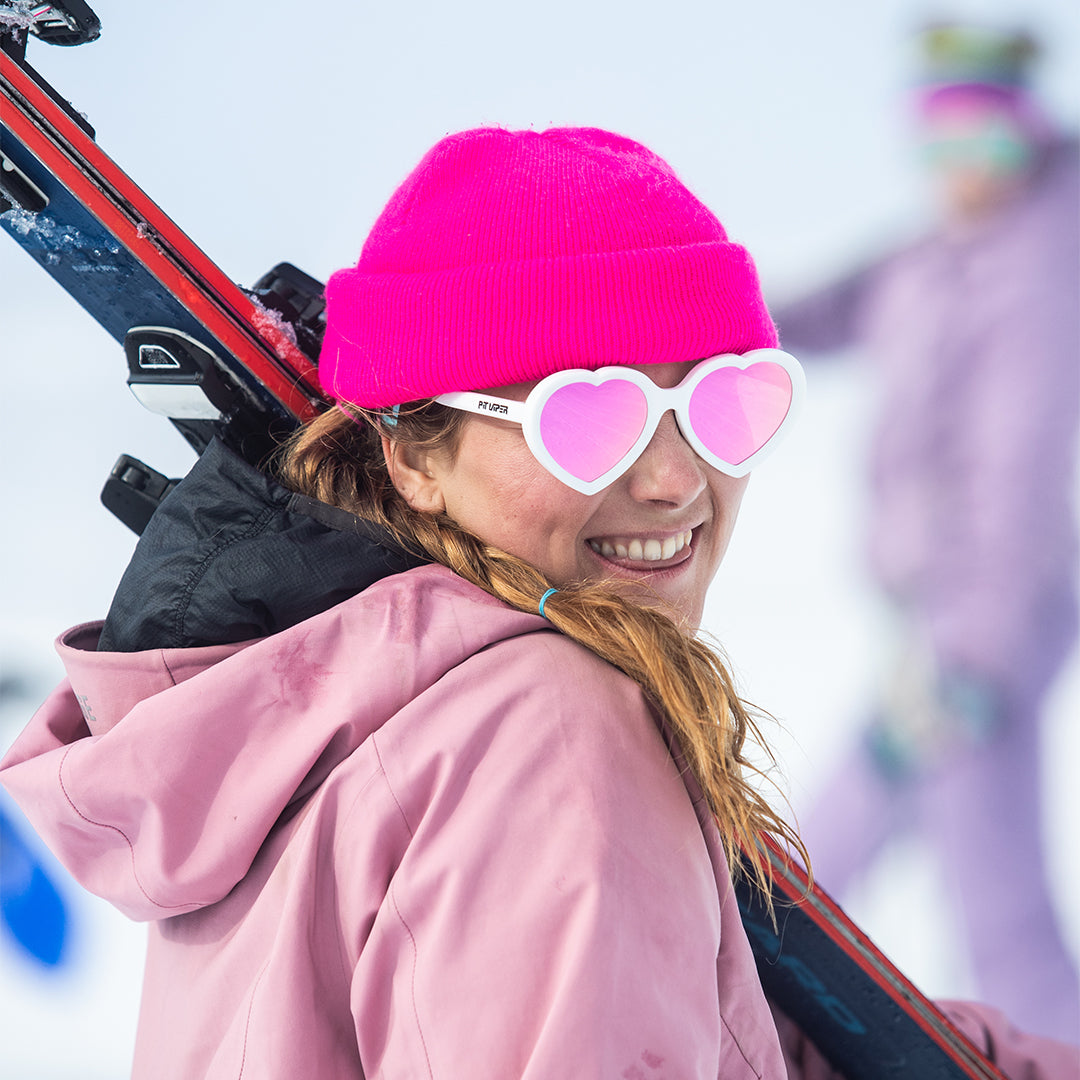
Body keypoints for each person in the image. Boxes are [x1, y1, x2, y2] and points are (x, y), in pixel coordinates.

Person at [0, 126, 1074, 1079]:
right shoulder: (549, 738)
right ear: (414, 456)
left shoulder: (317, 725)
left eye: (722, 399)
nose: (676, 479)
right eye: (591, 413)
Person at [774, 24, 1080, 1043]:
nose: (961, 172)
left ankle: (752, 972)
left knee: (983, 889)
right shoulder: (936, 254)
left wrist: (979, 651)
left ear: (1027, 141)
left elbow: (1017, 472)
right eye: (941, 144)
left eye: (987, 146)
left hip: (989, 614)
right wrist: (694, 324)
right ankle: (756, 970)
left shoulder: (1036, 274)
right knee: (895, 843)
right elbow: (819, 309)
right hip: (934, 614)